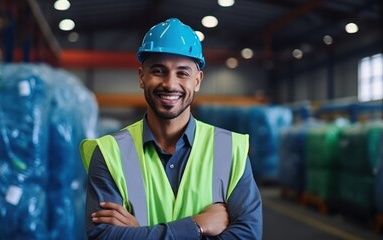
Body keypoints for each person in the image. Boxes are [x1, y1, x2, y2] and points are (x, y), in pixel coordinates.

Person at [80, 18, 262, 239]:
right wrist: (196, 226)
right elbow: (103, 236)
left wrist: (139, 233)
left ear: (197, 80)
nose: (170, 84)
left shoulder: (231, 149)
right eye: (158, 71)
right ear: (141, 77)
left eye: (182, 73)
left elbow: (248, 235)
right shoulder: (109, 153)